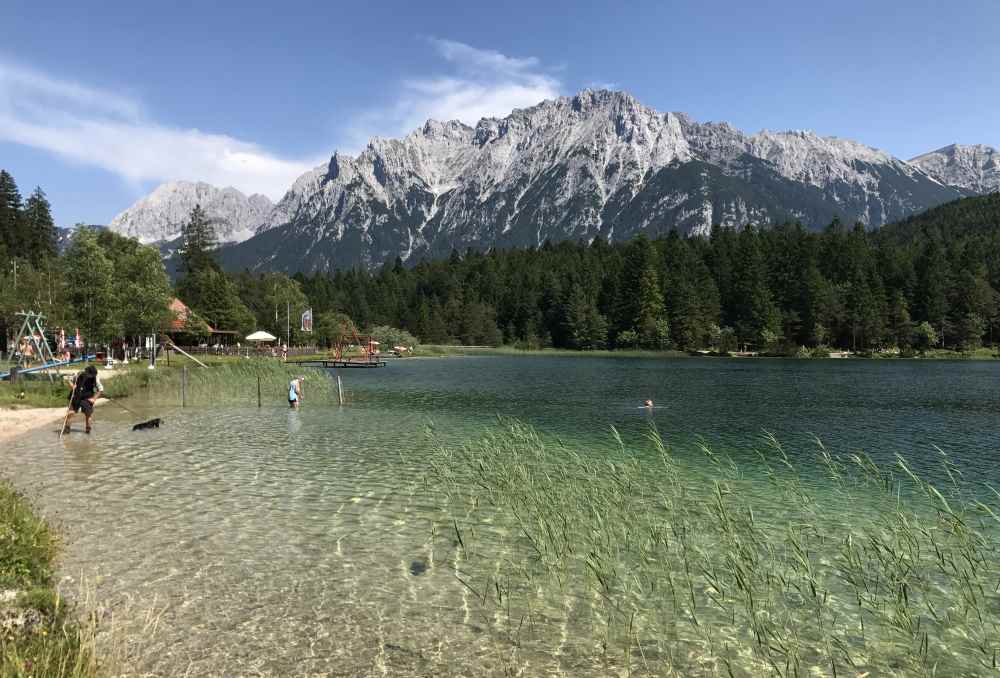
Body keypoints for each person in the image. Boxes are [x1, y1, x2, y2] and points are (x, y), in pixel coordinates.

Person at [65, 365, 104, 434]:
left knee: (88, 414)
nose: (91, 376)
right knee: (71, 413)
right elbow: (69, 380)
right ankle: (67, 429)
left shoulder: (95, 377)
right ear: (87, 372)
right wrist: (72, 385)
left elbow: (100, 390)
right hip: (75, 396)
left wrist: (94, 399)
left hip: (87, 397)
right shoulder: (79, 374)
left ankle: (88, 430)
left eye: (92, 375)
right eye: (90, 375)